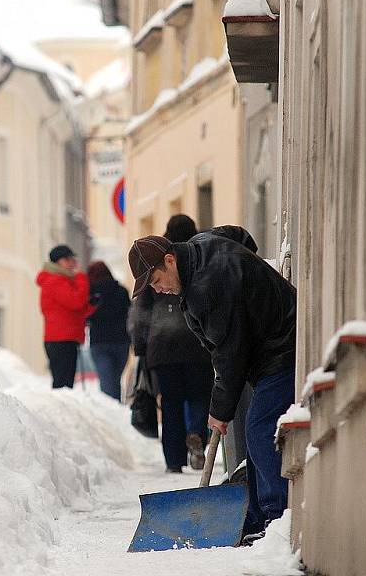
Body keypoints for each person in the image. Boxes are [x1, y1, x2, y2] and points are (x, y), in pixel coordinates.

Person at [127, 226, 296, 544]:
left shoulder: (208, 286)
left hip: (283, 346)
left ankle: (277, 521)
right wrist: (249, 279)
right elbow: (241, 236)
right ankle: (258, 516)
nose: (158, 290)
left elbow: (229, 354)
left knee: (260, 432)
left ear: (170, 260)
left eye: (156, 281)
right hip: (266, 350)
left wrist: (219, 410)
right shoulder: (199, 246)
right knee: (254, 434)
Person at [128, 215, 214, 473]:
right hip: (197, 346)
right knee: (199, 396)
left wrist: (140, 346)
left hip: (163, 349)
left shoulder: (154, 259)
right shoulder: (196, 259)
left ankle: (174, 460)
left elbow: (141, 311)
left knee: (170, 403)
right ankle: (197, 434)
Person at [36, 245, 95, 389]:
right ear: (57, 262)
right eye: (67, 259)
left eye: (72, 259)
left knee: (66, 382)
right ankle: (57, 411)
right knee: (63, 383)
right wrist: (81, 277)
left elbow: (75, 309)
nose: (72, 263)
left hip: (65, 337)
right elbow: (75, 302)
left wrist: (91, 306)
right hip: (60, 338)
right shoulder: (54, 280)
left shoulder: (63, 280)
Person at [85, 261, 131, 401]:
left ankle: (112, 411)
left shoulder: (91, 294)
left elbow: (86, 315)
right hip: (121, 341)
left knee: (107, 382)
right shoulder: (122, 292)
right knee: (115, 380)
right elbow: (130, 314)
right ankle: (115, 410)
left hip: (100, 342)